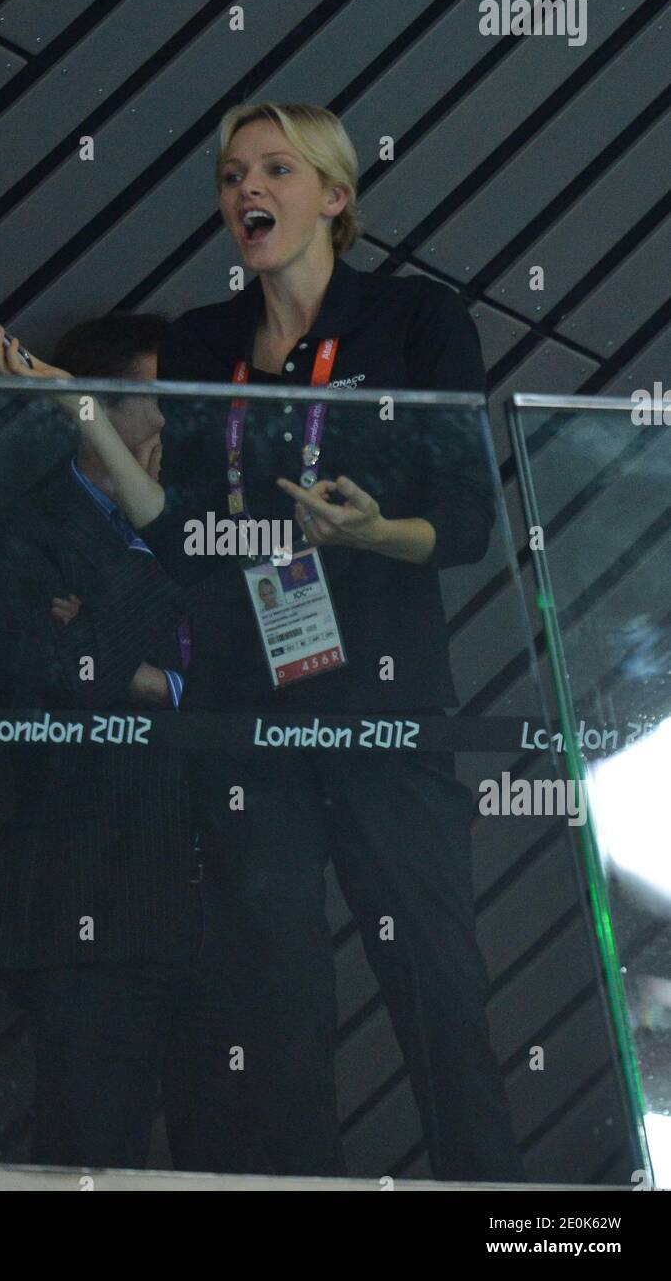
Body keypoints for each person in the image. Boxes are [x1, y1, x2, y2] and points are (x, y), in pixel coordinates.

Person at [125, 101, 524, 1181]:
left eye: (273, 170)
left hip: (382, 708)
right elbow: (189, 538)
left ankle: (495, 1216)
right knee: (272, 991)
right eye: (228, 175)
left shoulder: (413, 323)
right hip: (248, 711)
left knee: (435, 976)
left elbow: (470, 523)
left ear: (334, 197)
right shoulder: (203, 344)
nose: (244, 190)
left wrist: (372, 530)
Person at [0, 313, 256, 1172]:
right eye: (160, 397)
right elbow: (69, 675)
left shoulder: (228, 529)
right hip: (97, 904)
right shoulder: (10, 542)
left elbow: (279, 675)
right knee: (90, 1154)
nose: (175, 421)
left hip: (241, 905)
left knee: (243, 1160)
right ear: (95, 409)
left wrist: (148, 675)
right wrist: (148, 552)